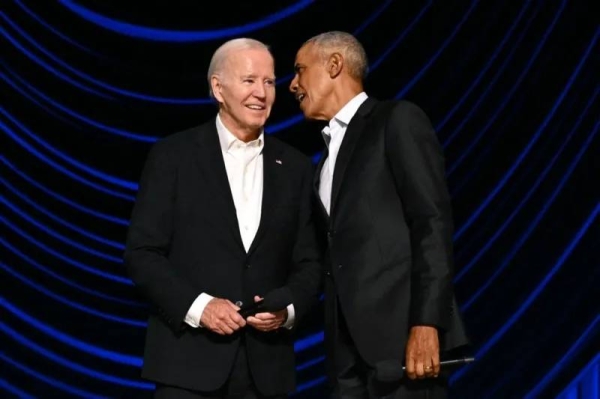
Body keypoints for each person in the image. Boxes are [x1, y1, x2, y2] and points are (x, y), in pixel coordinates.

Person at [124, 38, 322, 399]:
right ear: (218, 87)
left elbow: (310, 262)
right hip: (187, 366)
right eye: (249, 80)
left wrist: (287, 308)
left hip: (267, 372)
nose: (261, 93)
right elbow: (142, 253)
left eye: (268, 81)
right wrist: (201, 307)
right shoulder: (174, 156)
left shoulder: (295, 167)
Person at [289, 31, 469, 398]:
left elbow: (431, 222)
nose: (293, 85)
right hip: (346, 360)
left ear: (335, 65)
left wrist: (426, 323)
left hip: (404, 348)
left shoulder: (396, 120)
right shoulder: (322, 163)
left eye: (299, 71)